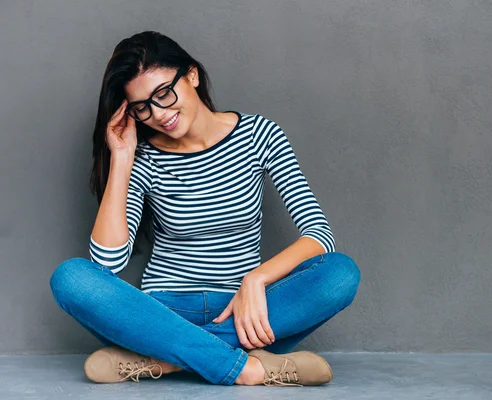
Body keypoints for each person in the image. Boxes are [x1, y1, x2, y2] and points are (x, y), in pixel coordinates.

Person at [49, 30, 360, 387]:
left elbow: (319, 235)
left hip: (244, 313)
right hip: (161, 317)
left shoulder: (260, 135)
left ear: (192, 75)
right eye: (142, 107)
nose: (158, 114)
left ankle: (166, 362)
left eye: (164, 93)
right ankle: (246, 368)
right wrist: (122, 158)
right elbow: (107, 262)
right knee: (71, 277)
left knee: (340, 274)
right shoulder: (145, 158)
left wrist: (255, 280)